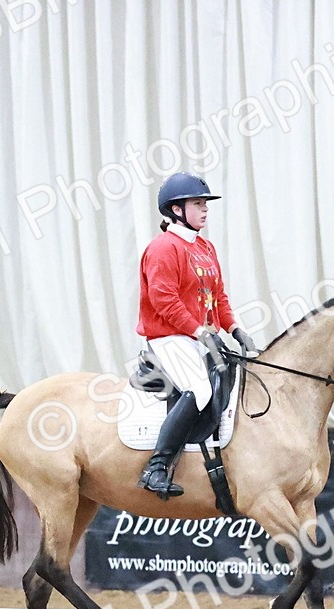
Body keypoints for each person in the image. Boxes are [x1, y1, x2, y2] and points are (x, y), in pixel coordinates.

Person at [136, 172, 256, 499]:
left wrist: (235, 329)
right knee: (200, 390)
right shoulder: (163, 248)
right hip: (169, 338)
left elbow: (218, 297)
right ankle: (156, 468)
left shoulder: (205, 247)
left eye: (205, 204)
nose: (205, 209)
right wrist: (201, 332)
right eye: (198, 204)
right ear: (176, 210)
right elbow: (164, 300)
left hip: (197, 337)